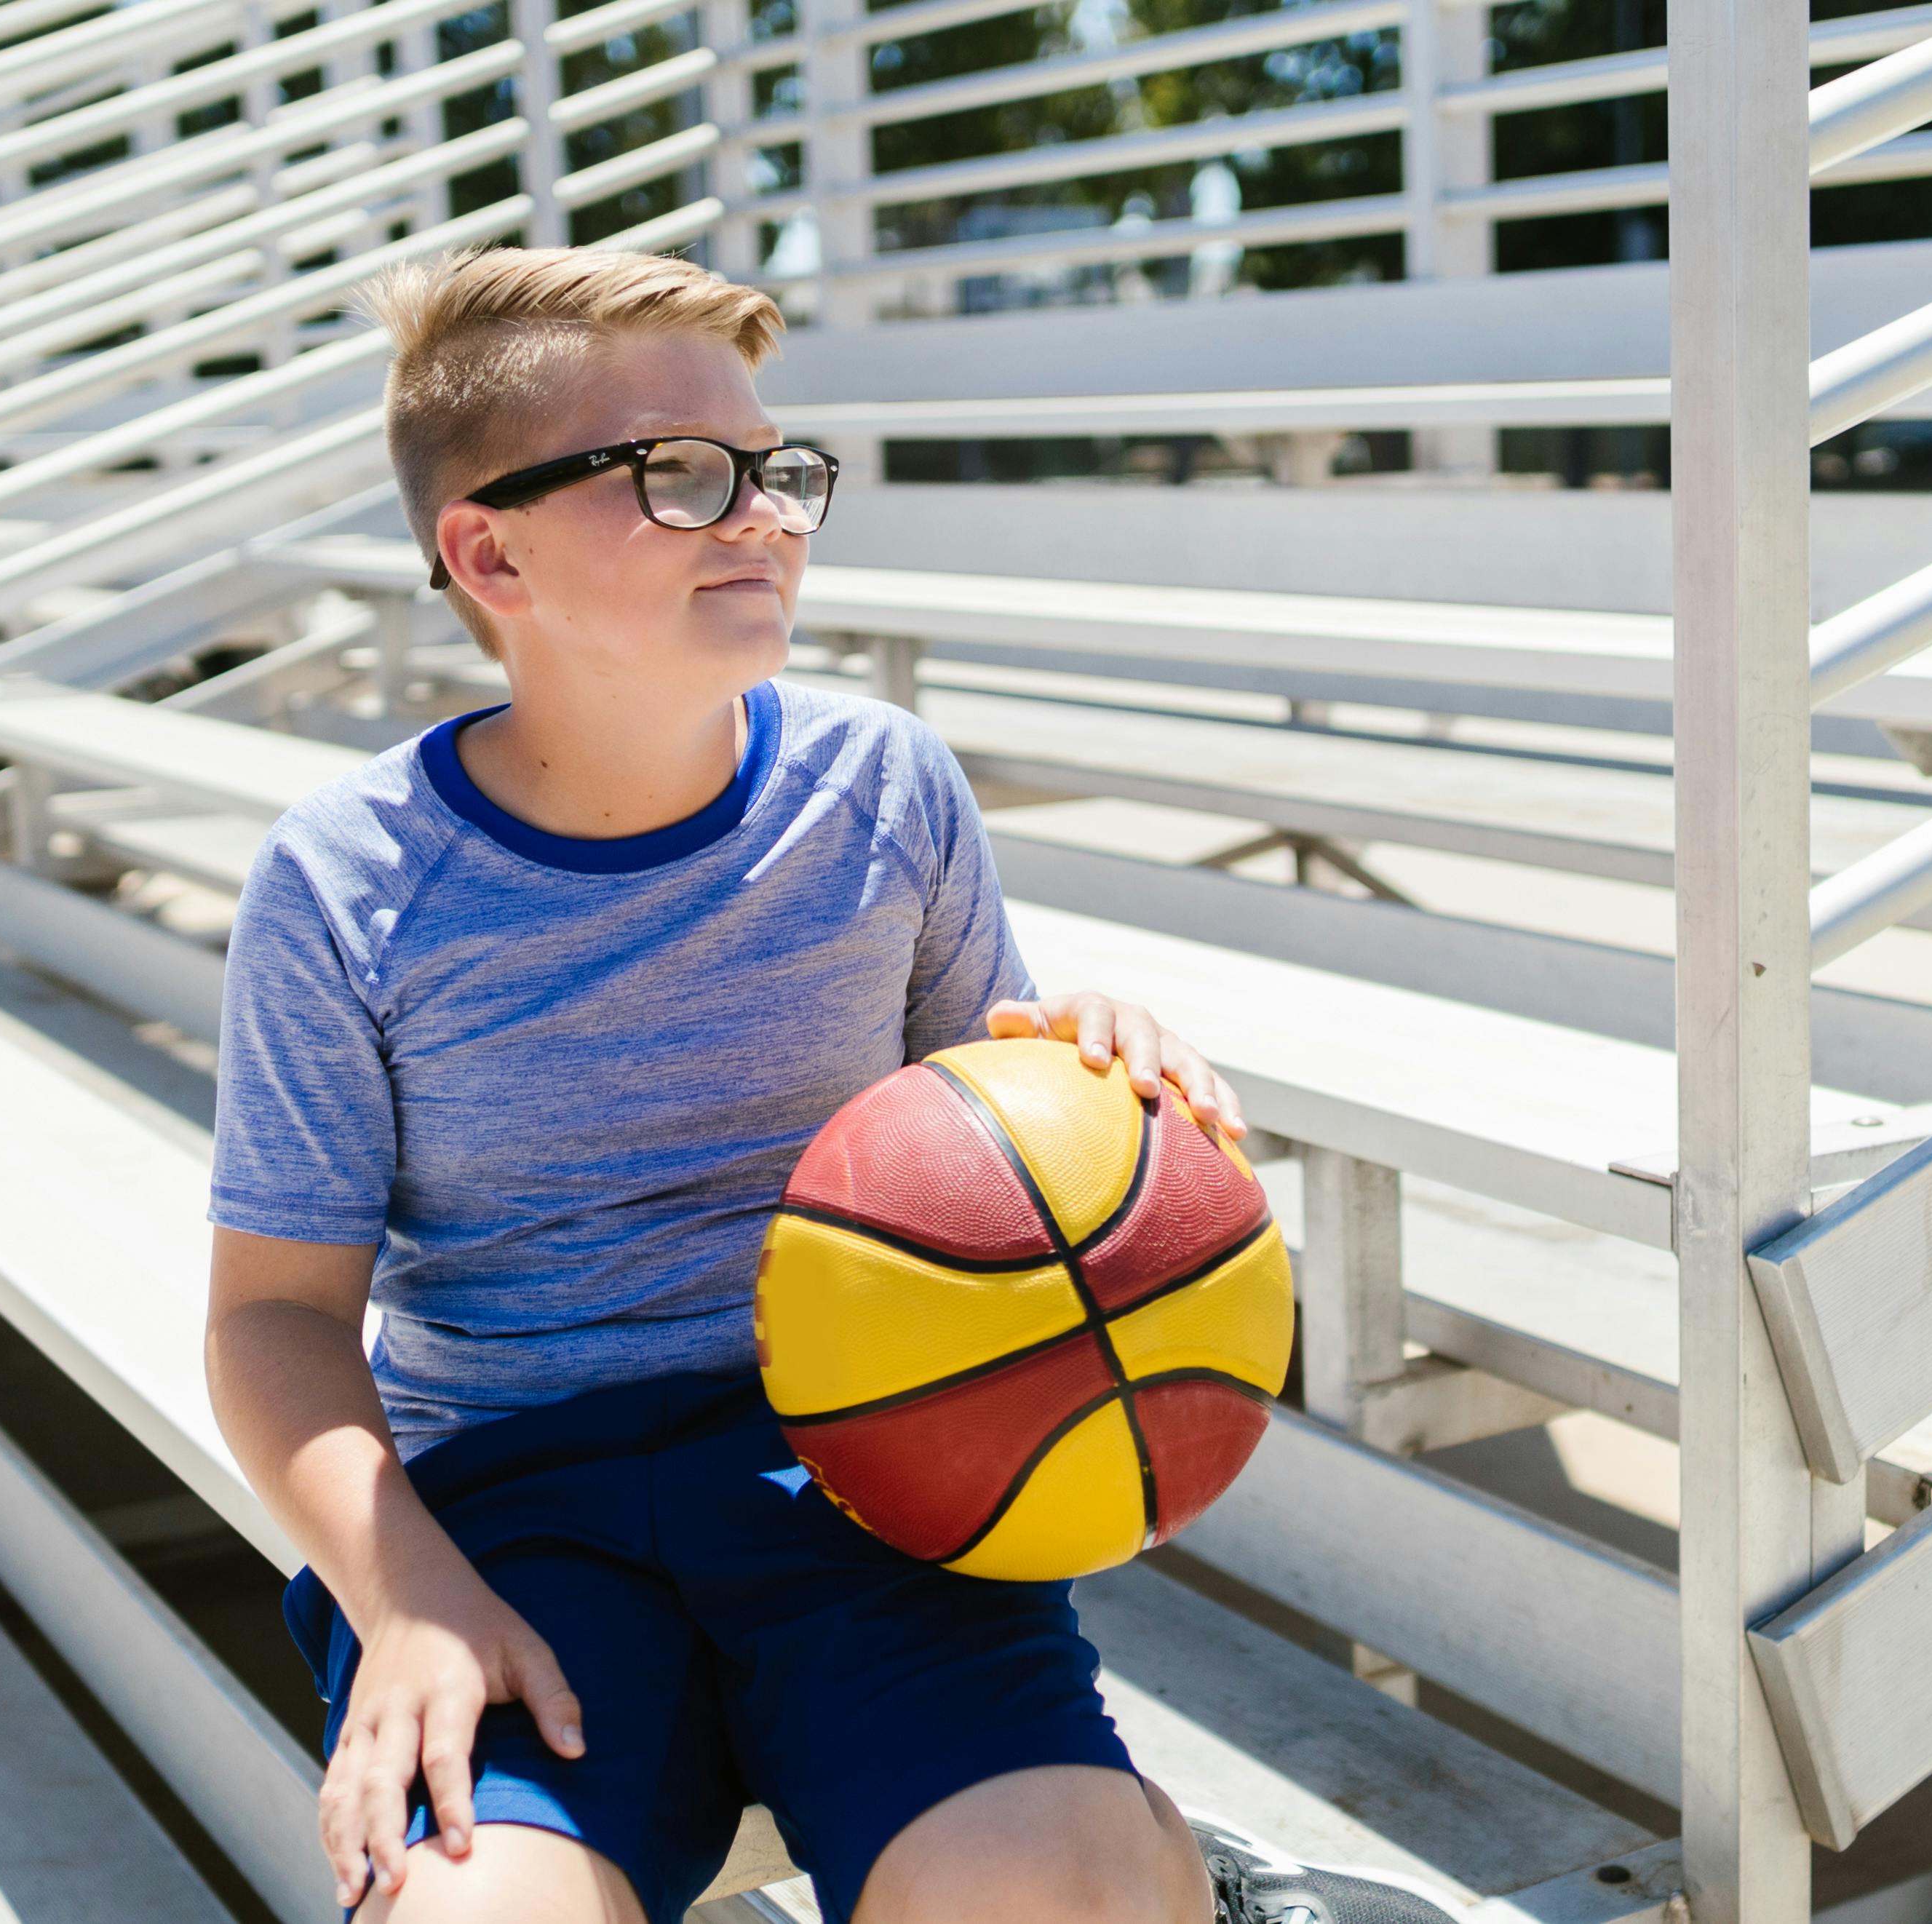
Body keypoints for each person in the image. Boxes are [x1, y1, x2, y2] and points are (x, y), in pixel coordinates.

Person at [201, 245, 1455, 1924]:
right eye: (679, 474)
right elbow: (272, 1316)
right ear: (487, 548)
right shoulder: (346, 879)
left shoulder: (883, 788)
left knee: (1049, 1891)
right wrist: (408, 1592)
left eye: (779, 471)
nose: (764, 515)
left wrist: (1088, 1058)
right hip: (513, 1511)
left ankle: (1169, 1867)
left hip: (867, 1466)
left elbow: (973, 1133)